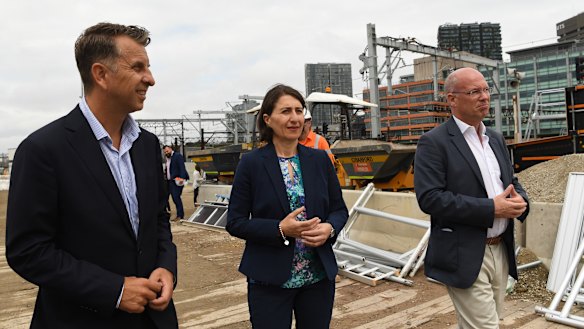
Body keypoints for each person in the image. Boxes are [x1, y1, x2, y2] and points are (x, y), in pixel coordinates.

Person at [5, 23, 178, 329]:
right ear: (101, 74)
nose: (150, 79)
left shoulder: (147, 145)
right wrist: (114, 290)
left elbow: (158, 220)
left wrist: (166, 266)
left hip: (155, 317)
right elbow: (29, 251)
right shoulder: (43, 149)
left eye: (148, 67)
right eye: (138, 67)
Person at [414, 67, 529, 329]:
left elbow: (511, 182)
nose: (484, 97)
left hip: (501, 248)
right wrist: (491, 208)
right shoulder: (434, 142)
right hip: (465, 251)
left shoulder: (496, 139)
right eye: (474, 91)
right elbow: (430, 198)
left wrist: (521, 201)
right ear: (452, 99)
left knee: (486, 320)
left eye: (486, 90)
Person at [226, 84, 348, 329]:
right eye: (285, 111)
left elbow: (339, 210)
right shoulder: (251, 164)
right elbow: (235, 222)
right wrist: (280, 230)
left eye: (299, 111)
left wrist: (329, 229)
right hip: (270, 279)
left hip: (317, 278)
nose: (294, 118)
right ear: (268, 119)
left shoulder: (319, 160)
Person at [163, 145, 189, 220]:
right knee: (165, 197)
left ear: (171, 149)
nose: (166, 153)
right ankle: (167, 212)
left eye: (167, 151)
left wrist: (182, 178)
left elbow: (182, 167)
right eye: (165, 152)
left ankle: (180, 215)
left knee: (176, 197)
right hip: (168, 181)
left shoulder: (177, 156)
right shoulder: (167, 158)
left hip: (177, 180)